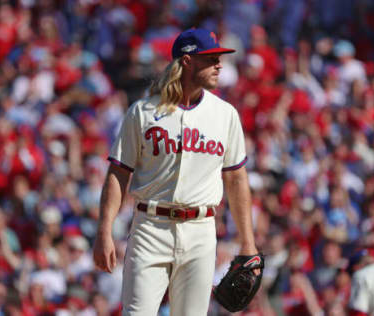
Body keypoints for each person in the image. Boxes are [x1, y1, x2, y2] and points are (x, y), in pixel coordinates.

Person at [92, 28, 259, 316]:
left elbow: (236, 178)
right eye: (211, 58)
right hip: (150, 226)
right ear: (187, 61)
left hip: (201, 230)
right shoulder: (142, 112)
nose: (220, 64)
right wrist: (104, 230)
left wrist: (248, 243)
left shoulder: (225, 114)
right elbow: (118, 173)